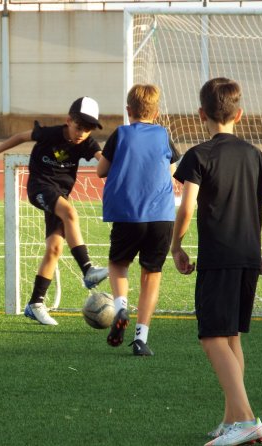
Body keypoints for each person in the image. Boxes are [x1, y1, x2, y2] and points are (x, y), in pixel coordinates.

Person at [171, 78, 262, 446]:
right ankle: (231, 419)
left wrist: (177, 246)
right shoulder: (255, 155)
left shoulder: (199, 155)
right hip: (249, 257)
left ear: (201, 113)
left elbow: (187, 206)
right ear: (240, 113)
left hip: (218, 258)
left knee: (211, 337)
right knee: (231, 336)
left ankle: (247, 420)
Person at [0, 97, 108, 326]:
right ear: (69, 121)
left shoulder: (87, 143)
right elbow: (20, 137)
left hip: (59, 195)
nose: (82, 133)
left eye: (87, 130)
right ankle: (88, 270)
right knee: (70, 213)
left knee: (55, 247)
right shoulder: (50, 134)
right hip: (39, 188)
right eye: (79, 127)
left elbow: (102, 160)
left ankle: (35, 303)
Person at [96, 84, 179, 356]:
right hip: (161, 216)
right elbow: (171, 168)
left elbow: (101, 171)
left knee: (118, 265)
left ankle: (120, 305)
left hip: (127, 213)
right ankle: (141, 338)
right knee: (151, 275)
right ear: (156, 112)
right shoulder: (164, 135)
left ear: (128, 110)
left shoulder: (120, 134)